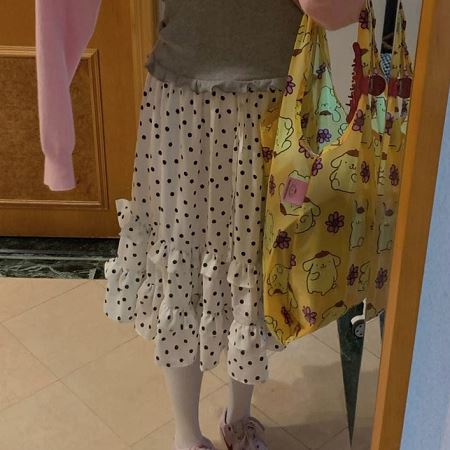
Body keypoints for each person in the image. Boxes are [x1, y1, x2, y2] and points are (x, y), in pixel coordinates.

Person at [35, 1, 365, 448]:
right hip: (184, 102)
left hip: (278, 104)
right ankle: (186, 434)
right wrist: (57, 146)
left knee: (256, 266)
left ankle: (239, 417)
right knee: (182, 269)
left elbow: (335, 10)